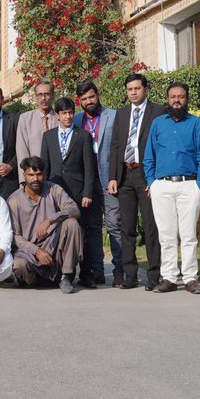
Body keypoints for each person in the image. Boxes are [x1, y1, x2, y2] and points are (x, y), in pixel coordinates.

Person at [144, 83, 200, 294]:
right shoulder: (157, 124)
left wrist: (198, 184)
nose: (177, 100)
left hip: (188, 184)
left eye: (181, 97)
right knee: (166, 235)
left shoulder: (196, 124)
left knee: (189, 234)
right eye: (173, 96)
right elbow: (149, 156)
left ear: (187, 99)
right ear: (168, 99)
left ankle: (190, 278)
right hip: (162, 185)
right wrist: (152, 182)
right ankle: (170, 277)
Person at [108, 73, 167, 290]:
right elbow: (115, 146)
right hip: (125, 174)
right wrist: (113, 176)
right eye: (130, 89)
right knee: (127, 228)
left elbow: (161, 146)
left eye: (137, 88)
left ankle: (153, 275)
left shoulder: (158, 112)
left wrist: (156, 178)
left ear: (145, 89)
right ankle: (130, 275)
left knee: (151, 226)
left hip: (146, 174)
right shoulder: (122, 114)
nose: (133, 92)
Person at [40, 96, 97, 288]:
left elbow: (89, 168)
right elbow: (45, 166)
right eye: (64, 113)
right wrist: (43, 192)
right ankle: (61, 272)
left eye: (71, 112)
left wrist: (88, 192)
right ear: (57, 115)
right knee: (58, 231)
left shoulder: (83, 136)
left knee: (82, 231)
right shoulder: (48, 137)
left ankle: (86, 274)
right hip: (54, 191)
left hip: (78, 192)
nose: (68, 116)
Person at [9, 157, 83, 294]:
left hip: (54, 246)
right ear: (24, 175)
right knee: (19, 265)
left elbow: (74, 209)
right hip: (29, 252)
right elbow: (15, 237)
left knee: (71, 223)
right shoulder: (14, 200)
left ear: (44, 174)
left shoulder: (54, 189)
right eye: (31, 175)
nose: (35, 179)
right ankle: (32, 280)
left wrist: (50, 219)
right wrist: (36, 251)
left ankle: (66, 276)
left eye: (39, 174)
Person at [73, 80, 121, 286]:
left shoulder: (114, 116)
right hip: (88, 183)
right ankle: (98, 270)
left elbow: (119, 148)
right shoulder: (75, 119)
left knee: (114, 225)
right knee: (92, 228)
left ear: (97, 94)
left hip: (109, 180)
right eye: (84, 99)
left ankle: (119, 270)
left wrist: (116, 176)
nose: (88, 101)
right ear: (80, 101)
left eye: (91, 97)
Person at [15, 80, 55, 163]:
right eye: (40, 95)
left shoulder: (61, 118)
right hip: (35, 171)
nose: (43, 98)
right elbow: (22, 151)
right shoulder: (25, 119)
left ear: (53, 96)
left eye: (47, 94)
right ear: (35, 97)